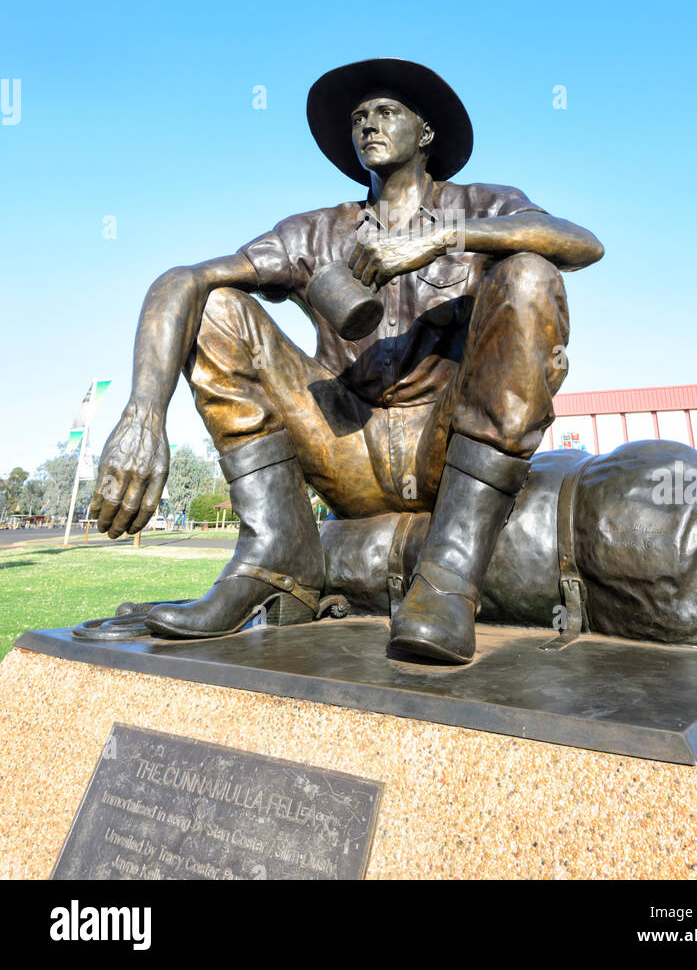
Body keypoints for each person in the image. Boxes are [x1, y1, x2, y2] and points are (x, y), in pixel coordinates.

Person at [90, 58, 604, 662]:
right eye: (360, 117)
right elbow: (183, 279)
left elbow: (582, 244)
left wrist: (445, 238)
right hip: (343, 446)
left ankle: (449, 577)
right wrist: (143, 414)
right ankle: (274, 560)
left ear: (426, 133)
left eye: (387, 112)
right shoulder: (315, 231)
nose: (368, 125)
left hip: (444, 445)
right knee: (214, 304)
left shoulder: (481, 203)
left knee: (528, 272)